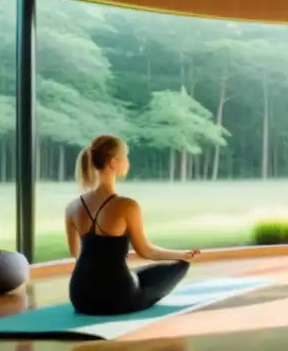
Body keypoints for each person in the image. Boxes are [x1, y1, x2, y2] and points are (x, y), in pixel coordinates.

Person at [64, 135, 199, 316]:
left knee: (132, 273)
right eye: (125, 156)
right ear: (113, 163)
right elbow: (146, 251)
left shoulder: (72, 207)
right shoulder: (127, 206)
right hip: (118, 298)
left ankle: (124, 277)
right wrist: (182, 255)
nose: (128, 162)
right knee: (179, 267)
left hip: (80, 296)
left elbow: (76, 254)